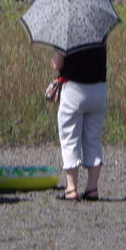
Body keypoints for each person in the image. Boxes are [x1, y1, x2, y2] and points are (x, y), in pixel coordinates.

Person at [51, 45, 108, 202]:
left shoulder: (66, 35)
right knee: (93, 139)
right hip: (99, 89)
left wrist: (55, 53)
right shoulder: (99, 34)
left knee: (70, 138)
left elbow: (57, 64)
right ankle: (92, 188)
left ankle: (71, 188)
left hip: (74, 90)